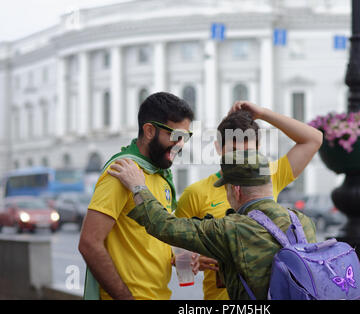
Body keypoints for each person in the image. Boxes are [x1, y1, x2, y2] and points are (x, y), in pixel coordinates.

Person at [107, 149, 318, 300]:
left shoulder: (233, 229)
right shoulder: (301, 221)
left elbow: (163, 225)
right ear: (268, 183)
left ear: (235, 190)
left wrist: (137, 186)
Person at [175, 101, 323, 299]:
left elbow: (313, 139)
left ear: (259, 147)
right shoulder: (195, 193)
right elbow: (176, 252)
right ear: (218, 147)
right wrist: (191, 260)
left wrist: (262, 114)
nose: (242, 158)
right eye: (234, 150)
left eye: (249, 151)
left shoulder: (268, 176)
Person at [78, 92, 194, 300]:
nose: (181, 145)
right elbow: (89, 243)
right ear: (149, 130)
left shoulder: (159, 174)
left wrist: (181, 259)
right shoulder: (122, 172)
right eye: (176, 136)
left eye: (185, 137)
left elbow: (148, 241)